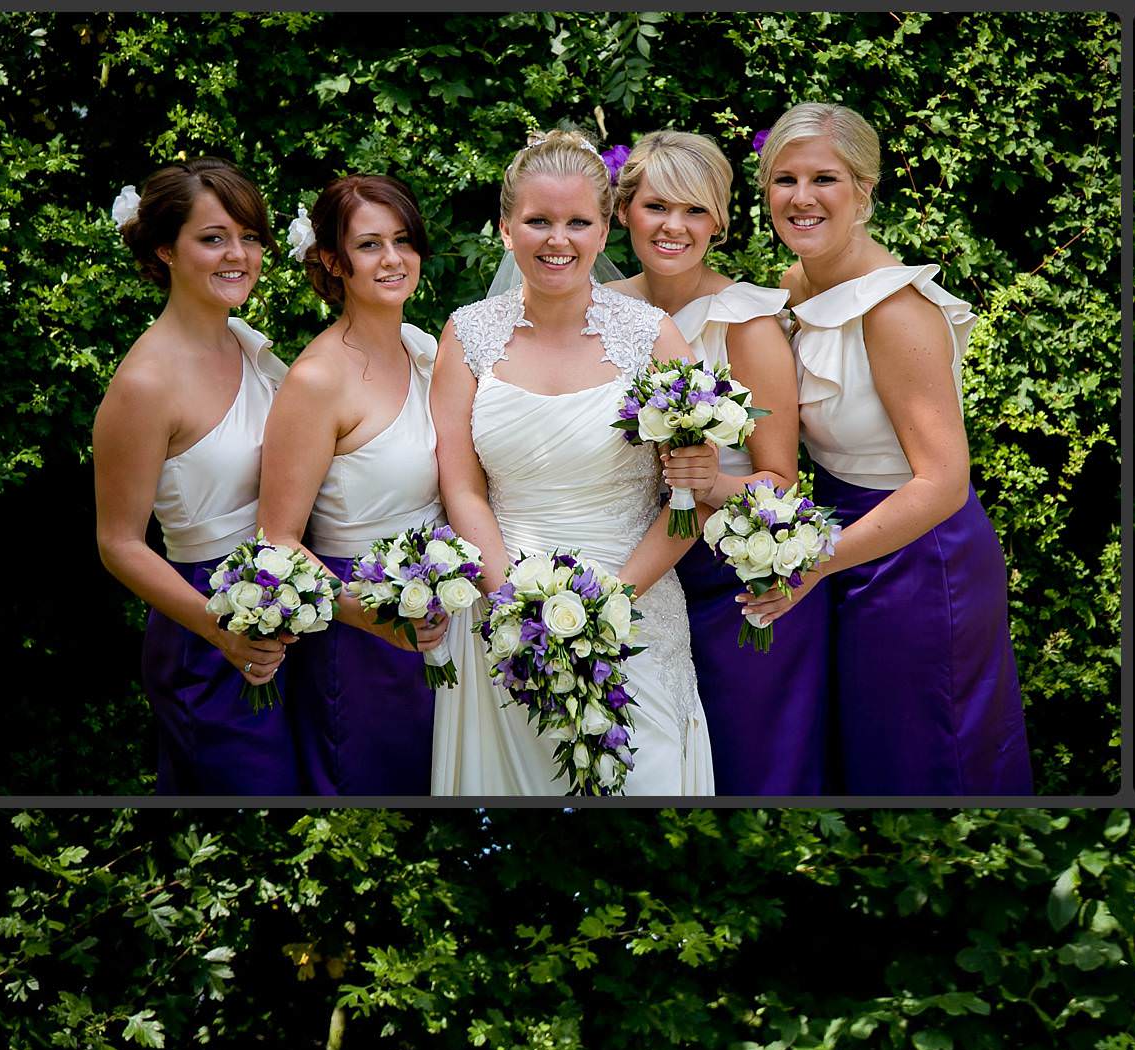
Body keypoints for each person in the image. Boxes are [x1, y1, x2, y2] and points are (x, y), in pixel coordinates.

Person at [744, 104, 1032, 796]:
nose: (802, 198)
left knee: (927, 760)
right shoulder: (793, 287)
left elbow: (943, 482)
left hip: (922, 557)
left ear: (865, 191)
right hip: (848, 545)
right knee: (867, 759)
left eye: (825, 178)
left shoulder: (895, 312)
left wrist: (815, 559)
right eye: (785, 180)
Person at [429, 126, 713, 795]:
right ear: (505, 229)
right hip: (501, 617)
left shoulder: (653, 338)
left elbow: (690, 501)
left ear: (605, 227)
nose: (558, 240)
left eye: (578, 221)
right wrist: (516, 607)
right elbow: (462, 490)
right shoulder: (466, 335)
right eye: (538, 221)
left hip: (635, 612)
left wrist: (610, 605)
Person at [612, 128, 827, 797]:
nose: (673, 226)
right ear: (624, 212)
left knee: (747, 774)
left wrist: (715, 482)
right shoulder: (600, 309)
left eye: (695, 210)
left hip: (729, 584)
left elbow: (780, 482)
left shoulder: (746, 323)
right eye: (656, 207)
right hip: (628, 571)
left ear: (720, 222)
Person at [92, 157, 299, 793]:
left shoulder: (247, 343)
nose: (239, 254)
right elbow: (119, 543)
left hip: (285, 611)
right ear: (166, 249)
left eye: (251, 237)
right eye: (213, 238)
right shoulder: (145, 384)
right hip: (205, 627)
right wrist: (222, 629)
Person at [262, 172, 443, 797]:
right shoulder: (317, 380)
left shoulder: (424, 352)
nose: (393, 260)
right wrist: (378, 620)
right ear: (335, 262)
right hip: (358, 634)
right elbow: (278, 540)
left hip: (437, 619)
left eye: (403, 241)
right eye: (370, 246)